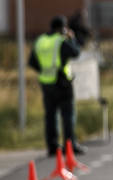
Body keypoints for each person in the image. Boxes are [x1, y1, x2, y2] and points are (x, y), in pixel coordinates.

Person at [29, 16, 85, 157]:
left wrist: (45, 71)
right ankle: (69, 145)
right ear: (62, 28)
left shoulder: (40, 41)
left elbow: (32, 62)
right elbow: (76, 52)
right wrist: (71, 38)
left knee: (50, 115)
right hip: (62, 82)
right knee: (68, 114)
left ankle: (52, 146)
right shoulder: (60, 41)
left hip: (46, 83)